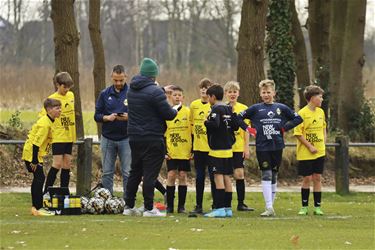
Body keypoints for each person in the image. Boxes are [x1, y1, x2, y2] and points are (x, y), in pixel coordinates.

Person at [237, 79, 303, 217]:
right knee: (266, 174)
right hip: (262, 147)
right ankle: (268, 206)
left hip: (277, 146)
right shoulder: (255, 108)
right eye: (263, 92)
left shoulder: (281, 108)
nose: (266, 94)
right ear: (260, 94)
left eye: (268, 92)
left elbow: (298, 119)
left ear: (274, 93)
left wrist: (284, 128)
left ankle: (271, 207)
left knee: (274, 175)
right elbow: (238, 118)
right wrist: (249, 129)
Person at [123, 57, 178, 217]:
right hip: (152, 137)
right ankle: (149, 208)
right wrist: (175, 108)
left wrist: (160, 90)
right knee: (150, 174)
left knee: (135, 171)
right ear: (154, 75)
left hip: (134, 137)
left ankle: (129, 206)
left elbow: (148, 96)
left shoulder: (131, 89)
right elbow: (168, 114)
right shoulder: (155, 92)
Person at [94, 65, 131, 198]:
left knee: (127, 172)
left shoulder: (132, 93)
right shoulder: (104, 94)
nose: (118, 83)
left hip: (126, 138)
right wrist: (107, 118)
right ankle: (107, 199)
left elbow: (140, 114)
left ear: (125, 77)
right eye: (116, 80)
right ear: (112, 77)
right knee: (107, 172)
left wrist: (128, 117)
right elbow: (96, 115)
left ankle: (128, 200)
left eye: (121, 80)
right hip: (108, 138)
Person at [22, 98, 62, 216]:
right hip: (32, 154)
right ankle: (38, 208)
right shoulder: (45, 124)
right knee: (39, 178)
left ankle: (36, 207)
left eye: (60, 108)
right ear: (49, 110)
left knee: (38, 179)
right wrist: (34, 160)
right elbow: (36, 143)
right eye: (57, 108)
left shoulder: (51, 121)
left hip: (36, 155)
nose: (60, 110)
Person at [203, 84, 237, 218]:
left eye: (208, 97)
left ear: (213, 97)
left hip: (217, 150)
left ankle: (220, 208)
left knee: (218, 178)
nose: (208, 100)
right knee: (227, 177)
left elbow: (215, 124)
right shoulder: (228, 108)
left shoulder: (216, 108)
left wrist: (206, 122)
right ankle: (228, 208)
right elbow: (234, 126)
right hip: (228, 149)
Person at [294, 85, 326, 216]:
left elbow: (323, 127)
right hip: (306, 153)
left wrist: (324, 139)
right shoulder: (302, 113)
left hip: (320, 152)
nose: (322, 99)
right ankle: (304, 206)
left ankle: (317, 207)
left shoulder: (321, 112)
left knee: (317, 177)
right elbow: (297, 133)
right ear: (312, 98)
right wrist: (310, 146)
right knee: (307, 178)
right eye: (320, 96)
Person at [42, 72, 76, 197]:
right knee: (57, 164)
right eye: (64, 87)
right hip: (58, 136)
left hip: (69, 136)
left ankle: (64, 193)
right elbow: (43, 117)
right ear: (58, 85)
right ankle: (46, 192)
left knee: (67, 165)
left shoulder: (71, 95)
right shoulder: (52, 99)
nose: (67, 90)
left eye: (68, 87)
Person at [224, 81, 254, 212]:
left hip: (238, 148)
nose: (232, 94)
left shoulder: (244, 108)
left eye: (234, 92)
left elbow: (247, 129)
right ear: (226, 94)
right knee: (226, 176)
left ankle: (241, 203)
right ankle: (226, 203)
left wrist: (246, 148)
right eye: (230, 92)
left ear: (238, 93)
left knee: (239, 174)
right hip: (225, 148)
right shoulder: (222, 108)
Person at [190, 78, 216, 214]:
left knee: (213, 176)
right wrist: (191, 147)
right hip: (199, 147)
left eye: (207, 88)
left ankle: (215, 204)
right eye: (202, 88)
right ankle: (198, 205)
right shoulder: (194, 105)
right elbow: (191, 126)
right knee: (199, 176)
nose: (204, 91)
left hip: (211, 148)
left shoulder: (214, 106)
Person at [165, 86, 192, 213]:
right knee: (171, 175)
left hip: (185, 150)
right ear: (170, 97)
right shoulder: (166, 112)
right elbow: (162, 133)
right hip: (172, 150)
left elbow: (192, 132)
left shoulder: (187, 112)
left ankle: (181, 207)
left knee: (182, 175)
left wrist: (193, 149)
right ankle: (169, 206)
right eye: (174, 95)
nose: (177, 97)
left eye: (179, 95)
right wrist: (164, 150)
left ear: (183, 97)